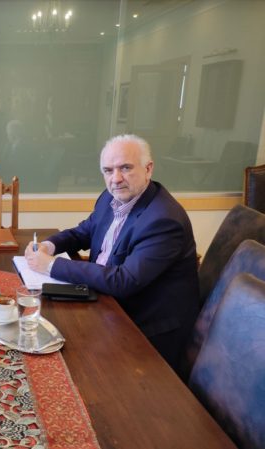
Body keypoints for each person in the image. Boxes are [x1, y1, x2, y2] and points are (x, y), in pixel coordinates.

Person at [24, 134, 199, 373]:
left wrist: (50, 265)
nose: (115, 179)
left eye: (125, 168)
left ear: (148, 169)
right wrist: (49, 245)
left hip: (143, 329)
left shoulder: (163, 220)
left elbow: (123, 281)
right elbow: (84, 231)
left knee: (65, 364)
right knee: (36, 332)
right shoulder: (111, 197)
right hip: (106, 303)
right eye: (108, 170)